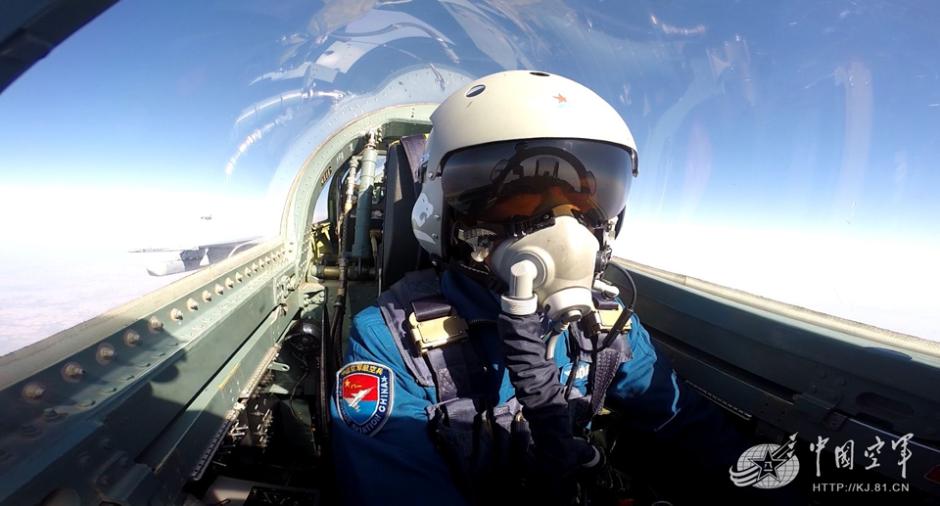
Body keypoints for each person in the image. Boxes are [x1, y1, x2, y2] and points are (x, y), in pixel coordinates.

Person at [330, 70, 750, 505]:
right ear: (446, 211)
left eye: (587, 201)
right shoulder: (393, 340)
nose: (564, 228)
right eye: (519, 201)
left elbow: (686, 423)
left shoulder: (607, 323)